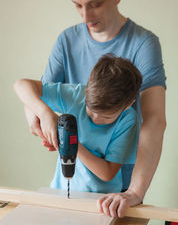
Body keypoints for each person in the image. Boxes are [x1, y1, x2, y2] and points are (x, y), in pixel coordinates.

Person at [24, 0, 166, 217]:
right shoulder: (67, 40)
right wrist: (40, 116)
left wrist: (134, 192)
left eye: (95, 4)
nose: (85, 15)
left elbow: (154, 120)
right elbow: (35, 93)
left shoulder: (144, 43)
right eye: (77, 5)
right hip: (76, 176)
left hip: (119, 180)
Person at [15, 54, 142, 193]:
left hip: (101, 198)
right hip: (60, 191)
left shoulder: (128, 120)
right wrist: (46, 114)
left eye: (106, 117)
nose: (95, 119)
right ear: (87, 91)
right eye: (90, 110)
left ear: (128, 104)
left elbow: (108, 172)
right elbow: (21, 84)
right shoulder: (77, 95)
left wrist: (70, 143)